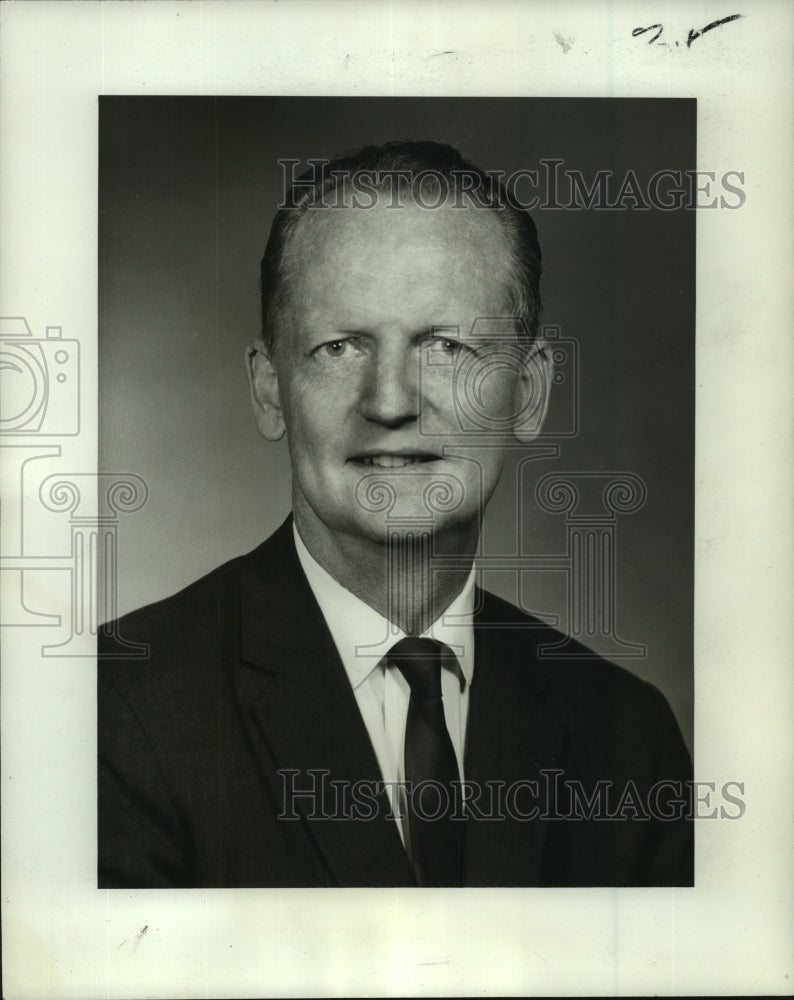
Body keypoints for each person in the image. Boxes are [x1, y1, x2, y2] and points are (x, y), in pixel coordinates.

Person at [98, 140, 693, 888]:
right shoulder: (113, 712)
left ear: (531, 392)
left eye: (446, 346)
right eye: (340, 346)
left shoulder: (629, 739)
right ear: (270, 390)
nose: (390, 401)